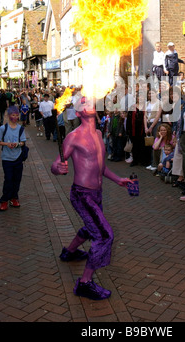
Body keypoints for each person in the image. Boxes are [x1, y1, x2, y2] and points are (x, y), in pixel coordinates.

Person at [51, 97, 130, 300]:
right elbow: (57, 164)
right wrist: (58, 168)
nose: (88, 103)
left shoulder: (98, 133)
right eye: (83, 103)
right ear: (78, 113)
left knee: (91, 227)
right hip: (82, 195)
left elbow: (101, 167)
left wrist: (118, 179)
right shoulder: (74, 136)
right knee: (104, 236)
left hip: (97, 193)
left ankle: (69, 252)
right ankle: (84, 283)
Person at [0, 106, 27, 211]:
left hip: (18, 158)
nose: (15, 117)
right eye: (13, 115)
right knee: (8, 179)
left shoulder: (21, 129)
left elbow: (23, 142)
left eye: (16, 115)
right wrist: (7, 144)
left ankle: (14, 198)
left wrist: (18, 144)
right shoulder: (2, 128)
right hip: (7, 158)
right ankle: (4, 200)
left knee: (17, 179)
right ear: (8, 116)